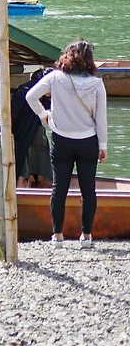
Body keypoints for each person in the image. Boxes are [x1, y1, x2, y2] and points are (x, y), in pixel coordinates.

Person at [26, 40, 107, 249]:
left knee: (59, 188)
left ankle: (57, 236)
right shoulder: (97, 84)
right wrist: (103, 145)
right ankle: (86, 236)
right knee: (88, 190)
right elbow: (101, 118)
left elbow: (30, 96)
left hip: (61, 139)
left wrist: (44, 114)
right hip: (88, 141)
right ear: (89, 60)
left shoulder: (55, 78)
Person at [0, 68, 52, 190]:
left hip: (33, 132)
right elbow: (9, 116)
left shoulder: (44, 96)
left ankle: (34, 184)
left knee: (36, 159)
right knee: (22, 161)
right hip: (19, 133)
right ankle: (20, 186)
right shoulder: (24, 93)